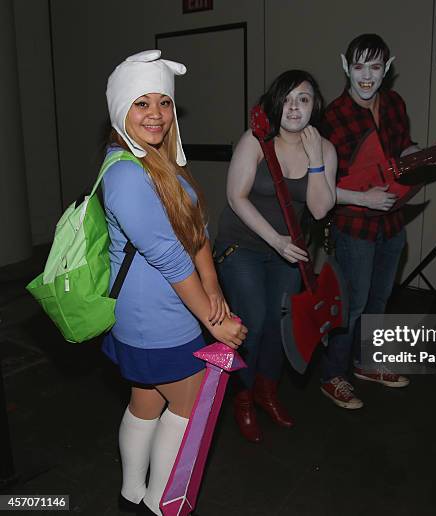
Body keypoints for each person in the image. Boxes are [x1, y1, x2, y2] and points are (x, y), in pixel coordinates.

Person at [101, 50, 247, 515]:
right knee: (189, 407)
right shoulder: (126, 173)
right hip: (154, 317)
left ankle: (131, 497)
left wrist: (214, 286)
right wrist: (214, 320)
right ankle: (159, 506)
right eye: (141, 103)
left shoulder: (161, 161)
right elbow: (166, 254)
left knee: (146, 402)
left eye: (163, 102)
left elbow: (194, 229)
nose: (156, 114)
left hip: (165, 309)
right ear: (121, 109)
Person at [318, 34, 436, 409]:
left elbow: (402, 151)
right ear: (345, 66)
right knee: (352, 303)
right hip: (354, 226)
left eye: (375, 67)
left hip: (392, 221)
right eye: (359, 66)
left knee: (380, 298)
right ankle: (333, 375)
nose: (367, 76)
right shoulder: (331, 117)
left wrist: (427, 156)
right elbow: (320, 186)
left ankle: (368, 364)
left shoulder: (394, 103)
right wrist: (364, 198)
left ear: (387, 67)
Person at [215, 70, 337, 442]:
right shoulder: (255, 140)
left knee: (280, 325)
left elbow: (319, 211)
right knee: (253, 319)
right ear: (275, 103)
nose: (295, 107)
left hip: (289, 251)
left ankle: (268, 392)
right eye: (287, 98)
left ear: (314, 105)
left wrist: (316, 159)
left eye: (303, 98)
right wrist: (275, 240)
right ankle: (244, 398)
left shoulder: (325, 148)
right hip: (244, 245)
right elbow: (235, 197)